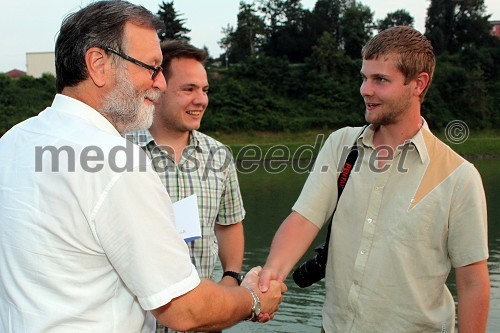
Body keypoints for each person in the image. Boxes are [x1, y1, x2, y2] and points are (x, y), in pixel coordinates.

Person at [0, 1, 285, 332]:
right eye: (151, 67)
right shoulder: (118, 163)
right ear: (98, 64)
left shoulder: (12, 142)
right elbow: (184, 309)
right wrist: (252, 297)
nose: (160, 83)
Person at [259, 26, 489, 332]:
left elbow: (473, 283)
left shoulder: (459, 177)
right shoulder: (341, 145)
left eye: (380, 80)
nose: (365, 89)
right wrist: (269, 278)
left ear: (418, 84)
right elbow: (303, 220)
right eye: (364, 77)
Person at [126, 40, 245, 333]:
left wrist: (230, 277)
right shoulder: (120, 153)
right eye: (188, 89)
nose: (201, 100)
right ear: (158, 87)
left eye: (204, 90)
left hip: (202, 323)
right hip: (137, 324)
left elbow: (229, 223)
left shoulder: (220, 156)